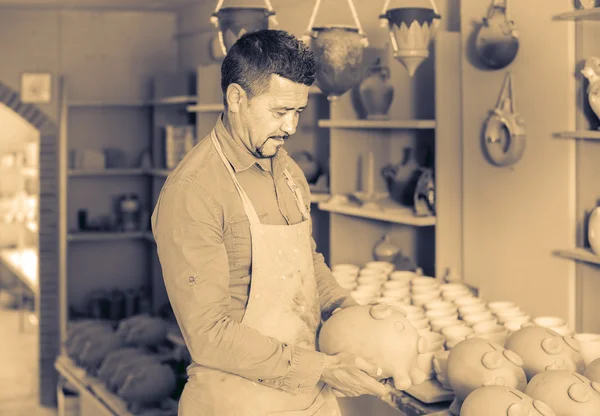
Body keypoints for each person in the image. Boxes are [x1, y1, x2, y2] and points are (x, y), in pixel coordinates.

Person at [151, 29, 390, 416]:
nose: (292, 126)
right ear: (236, 98)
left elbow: (305, 263)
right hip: (234, 403)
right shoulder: (194, 191)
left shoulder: (289, 172)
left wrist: (347, 312)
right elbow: (209, 334)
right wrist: (323, 367)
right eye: (280, 112)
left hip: (310, 398)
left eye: (298, 111)